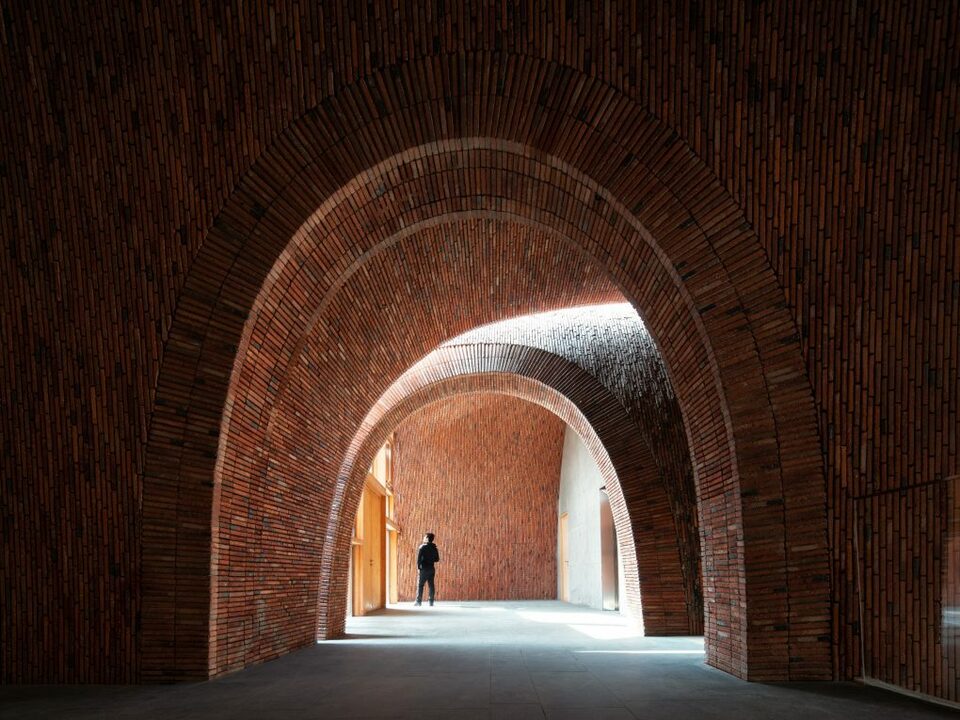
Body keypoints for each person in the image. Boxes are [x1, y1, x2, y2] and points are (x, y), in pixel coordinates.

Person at [415, 532, 440, 606]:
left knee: (420, 585)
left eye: (424, 537)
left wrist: (419, 567)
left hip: (424, 569)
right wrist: (430, 559)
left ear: (427, 538)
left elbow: (418, 559)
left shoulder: (422, 547)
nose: (423, 538)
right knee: (431, 585)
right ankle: (431, 602)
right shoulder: (435, 548)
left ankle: (418, 601)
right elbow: (437, 559)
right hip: (431, 569)